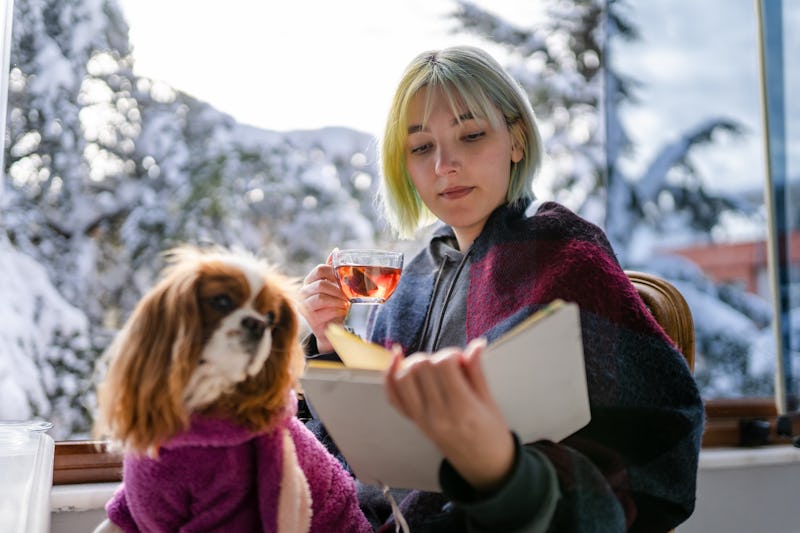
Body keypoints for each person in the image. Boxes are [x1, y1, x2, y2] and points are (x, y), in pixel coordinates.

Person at [299, 45, 704, 532]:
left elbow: (660, 435)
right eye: (422, 147)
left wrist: (500, 469)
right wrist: (328, 341)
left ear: (515, 141)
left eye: (470, 135)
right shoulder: (410, 285)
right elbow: (359, 456)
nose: (444, 164)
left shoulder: (565, 256)